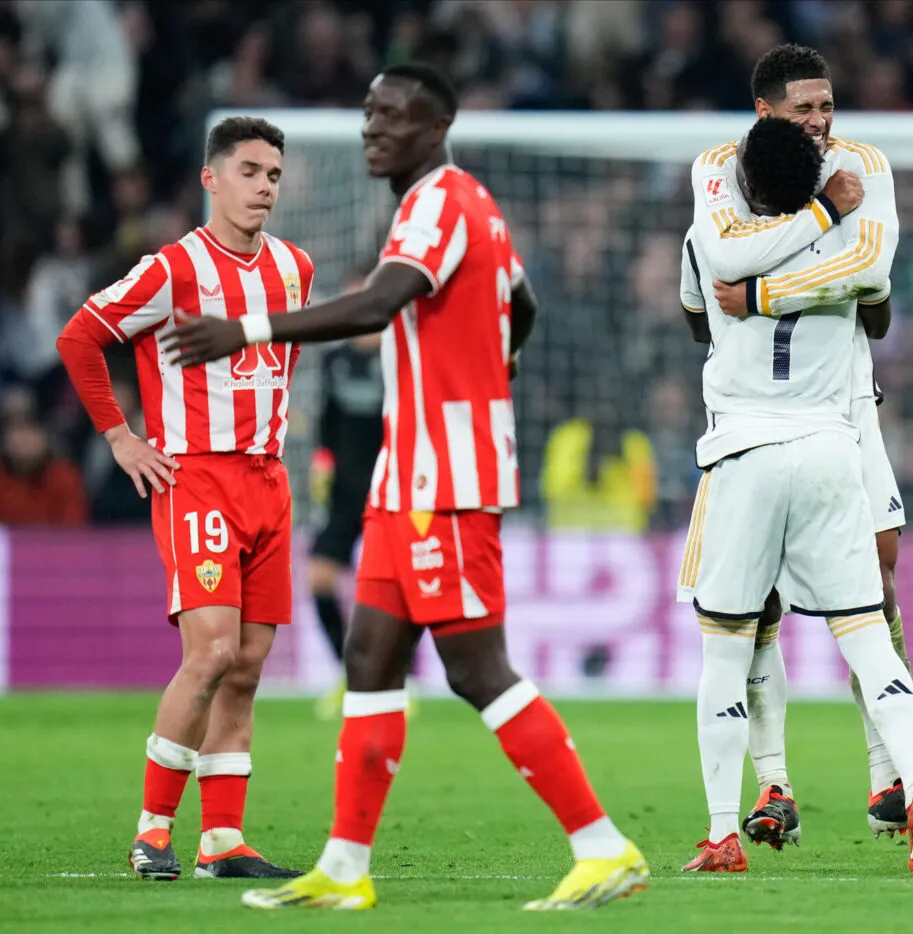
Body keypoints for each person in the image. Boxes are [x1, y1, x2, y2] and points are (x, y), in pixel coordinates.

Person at [162, 62, 648, 912]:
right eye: (368, 113)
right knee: (369, 658)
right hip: (403, 480)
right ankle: (344, 868)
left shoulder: (440, 202)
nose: (372, 129)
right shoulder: (468, 206)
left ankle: (602, 846)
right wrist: (495, 361)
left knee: (476, 668)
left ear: (436, 128)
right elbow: (523, 301)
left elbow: (376, 304)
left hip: (446, 480)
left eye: (392, 116)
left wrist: (244, 329)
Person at [685, 44, 913, 862]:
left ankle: (886, 779)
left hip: (838, 411)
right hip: (810, 424)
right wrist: (820, 231)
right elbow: (850, 283)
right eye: (804, 109)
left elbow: (870, 271)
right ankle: (776, 782)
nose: (820, 121)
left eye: (827, 105)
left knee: (873, 581)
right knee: (791, 609)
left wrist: (758, 296)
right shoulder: (718, 168)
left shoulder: (863, 166)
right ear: (765, 112)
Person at [55, 116, 310, 882]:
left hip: (268, 480)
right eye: (249, 171)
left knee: (250, 664)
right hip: (196, 477)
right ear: (211, 178)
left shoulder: (294, 268)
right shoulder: (172, 269)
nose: (263, 187)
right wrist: (120, 437)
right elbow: (79, 337)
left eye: (273, 174)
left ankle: (223, 842)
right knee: (213, 653)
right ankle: (152, 831)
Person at [307, 276, 384, 719]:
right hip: (342, 494)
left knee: (391, 591)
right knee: (319, 579)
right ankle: (350, 674)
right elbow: (326, 423)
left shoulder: (399, 358)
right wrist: (321, 462)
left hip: (387, 490)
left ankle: (393, 678)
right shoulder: (334, 359)